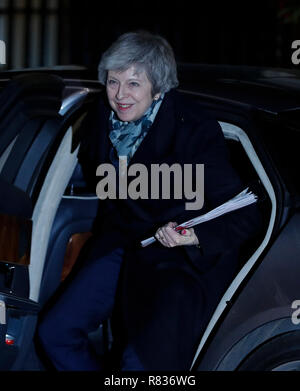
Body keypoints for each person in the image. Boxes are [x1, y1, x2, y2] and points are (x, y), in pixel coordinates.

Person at [37, 31, 262, 371]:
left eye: (133, 84)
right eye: (113, 82)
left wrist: (193, 236)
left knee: (142, 363)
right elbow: (108, 189)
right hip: (122, 245)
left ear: (158, 88)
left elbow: (246, 210)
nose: (120, 96)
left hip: (175, 263)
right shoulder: (102, 119)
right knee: (56, 332)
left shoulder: (194, 131)